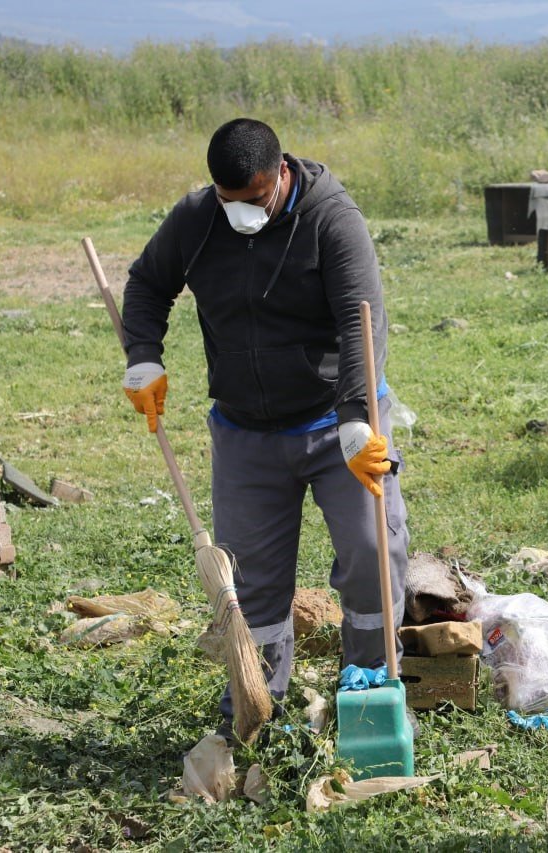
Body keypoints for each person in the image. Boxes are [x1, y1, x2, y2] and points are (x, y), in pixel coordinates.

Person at [120, 118, 409, 737]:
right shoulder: (198, 219)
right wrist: (143, 354)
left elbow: (366, 321)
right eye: (229, 202)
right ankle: (257, 710)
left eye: (254, 201)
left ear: (281, 173)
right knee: (249, 582)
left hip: (337, 426)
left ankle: (369, 694)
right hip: (245, 431)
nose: (241, 214)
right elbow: (147, 283)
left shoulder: (332, 218)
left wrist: (358, 418)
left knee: (370, 555)